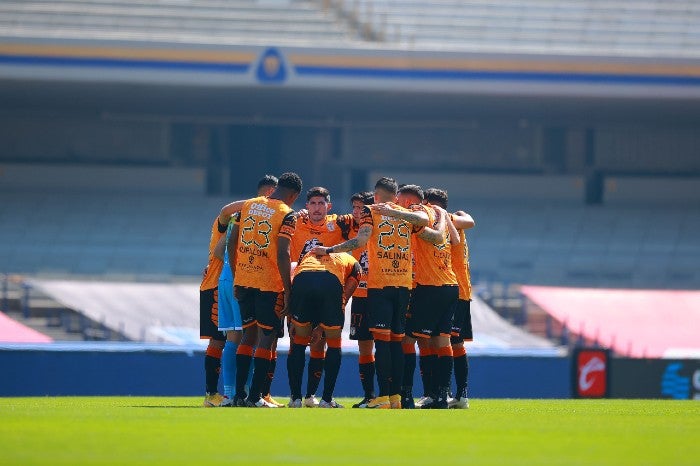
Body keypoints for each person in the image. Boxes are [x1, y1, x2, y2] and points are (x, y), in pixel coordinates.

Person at [312, 177, 443, 409]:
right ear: (395, 195)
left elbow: (361, 239)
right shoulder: (407, 215)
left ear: (376, 194)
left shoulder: (371, 212)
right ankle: (396, 398)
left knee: (381, 344)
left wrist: (329, 250)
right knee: (396, 343)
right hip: (404, 286)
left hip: (380, 285)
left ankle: (382, 397)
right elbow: (435, 236)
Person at [221, 172, 303, 408]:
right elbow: (283, 253)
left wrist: (237, 276)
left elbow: (232, 242)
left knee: (248, 335)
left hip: (245, 280)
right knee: (266, 337)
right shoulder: (287, 214)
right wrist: (288, 290)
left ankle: (238, 395)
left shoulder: (248, 205)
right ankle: (256, 397)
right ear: (294, 195)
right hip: (269, 283)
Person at [214, 175, 278, 406]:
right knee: (253, 338)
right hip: (248, 281)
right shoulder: (266, 216)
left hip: (227, 279)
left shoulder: (238, 216)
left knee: (235, 337)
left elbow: (219, 251)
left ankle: (230, 394)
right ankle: (252, 394)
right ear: (270, 193)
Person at [288, 186, 354, 407]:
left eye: (321, 204)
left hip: (327, 285)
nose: (317, 208)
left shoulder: (339, 223)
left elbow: (363, 217)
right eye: (313, 204)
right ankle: (296, 396)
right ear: (306, 206)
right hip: (301, 284)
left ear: (329, 206)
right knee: (297, 340)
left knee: (319, 344)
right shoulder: (294, 222)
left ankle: (309, 397)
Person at [394, 185, 458, 409]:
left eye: (400, 200)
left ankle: (407, 396)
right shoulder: (440, 213)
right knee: (442, 340)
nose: (397, 203)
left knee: (408, 340)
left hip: (431, 286)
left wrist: (393, 213)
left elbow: (433, 232)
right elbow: (456, 240)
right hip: (450, 285)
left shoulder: (421, 212)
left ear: (411, 201)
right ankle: (440, 396)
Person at [287, 250, 361, 408]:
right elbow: (357, 272)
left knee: (299, 342)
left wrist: (294, 316)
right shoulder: (348, 259)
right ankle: (326, 399)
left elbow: (295, 279)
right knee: (334, 343)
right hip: (330, 280)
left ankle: (295, 399)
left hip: (302, 280)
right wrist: (342, 301)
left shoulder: (308, 256)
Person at [423, 188, 475, 409]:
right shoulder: (455, 219)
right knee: (453, 341)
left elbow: (469, 221)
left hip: (451, 288)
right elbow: (470, 221)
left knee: (444, 341)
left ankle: (443, 393)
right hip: (461, 289)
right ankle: (457, 394)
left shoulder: (442, 218)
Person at [346, 191, 377, 408]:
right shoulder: (344, 225)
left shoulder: (381, 226)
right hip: (359, 296)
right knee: (364, 348)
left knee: (390, 346)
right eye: (354, 207)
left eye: (361, 208)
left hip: (381, 294)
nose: (357, 212)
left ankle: (393, 395)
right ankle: (370, 396)